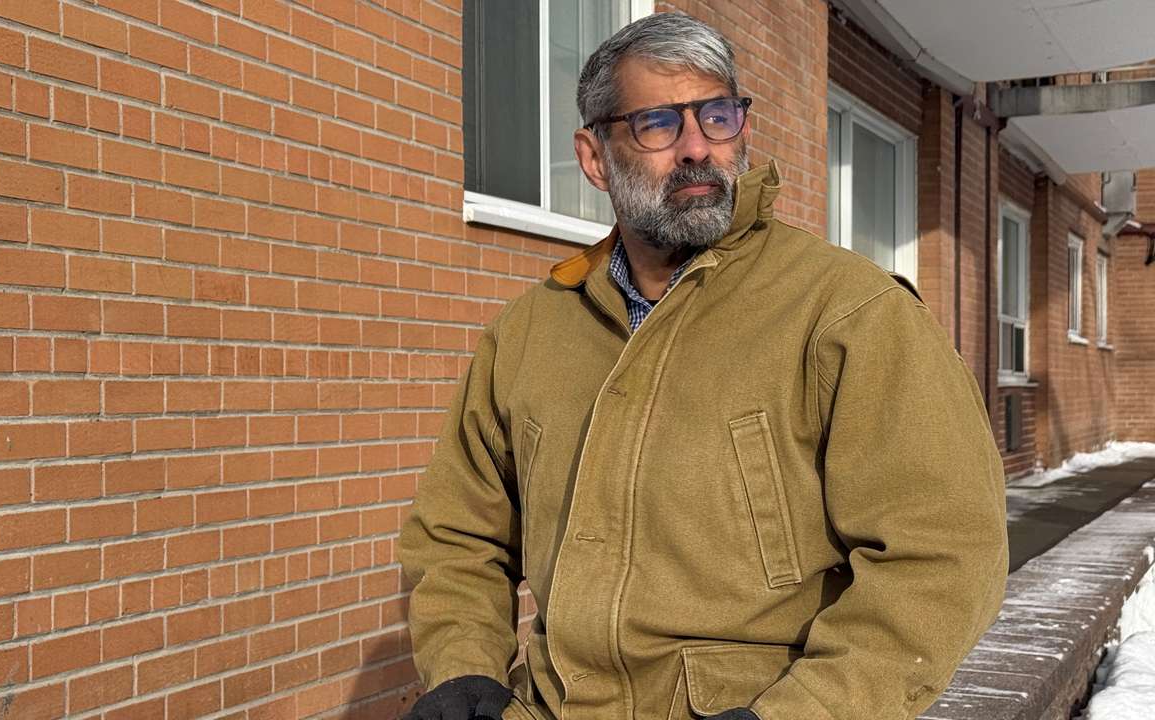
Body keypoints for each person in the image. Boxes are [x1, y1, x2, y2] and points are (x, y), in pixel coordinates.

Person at [399, 11, 1007, 720]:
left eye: (716, 117)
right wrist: (464, 668)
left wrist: (802, 714)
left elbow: (941, 556)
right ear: (594, 157)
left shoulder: (848, 312)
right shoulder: (532, 331)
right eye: (657, 123)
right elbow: (459, 534)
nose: (696, 147)